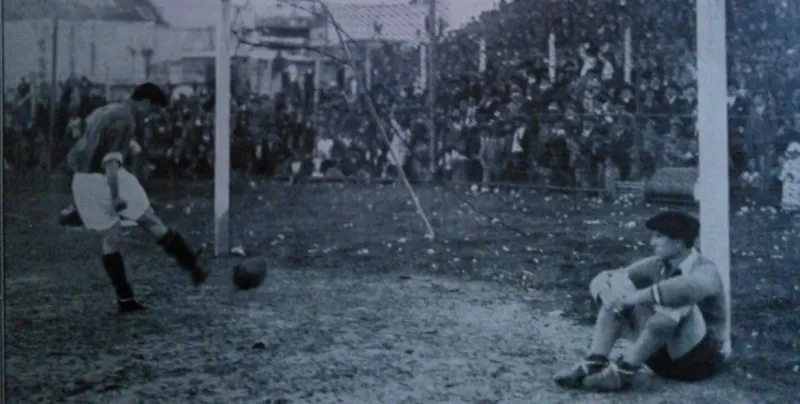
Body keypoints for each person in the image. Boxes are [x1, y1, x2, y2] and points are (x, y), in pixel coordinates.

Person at [65, 82, 210, 314]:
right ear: (143, 102)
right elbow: (110, 163)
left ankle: (129, 298)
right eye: (151, 110)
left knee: (119, 235)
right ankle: (191, 266)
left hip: (84, 179)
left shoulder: (107, 109)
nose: (150, 116)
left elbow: (78, 149)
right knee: (141, 225)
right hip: (104, 179)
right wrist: (114, 197)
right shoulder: (126, 120)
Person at [553, 211, 728, 392]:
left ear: (679, 242)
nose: (652, 243)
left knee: (677, 300)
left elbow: (686, 289)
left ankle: (624, 373)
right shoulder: (657, 264)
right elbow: (607, 277)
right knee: (619, 284)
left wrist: (635, 298)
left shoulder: (706, 269)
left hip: (699, 361)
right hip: (660, 360)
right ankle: (595, 361)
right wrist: (607, 295)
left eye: (659, 237)